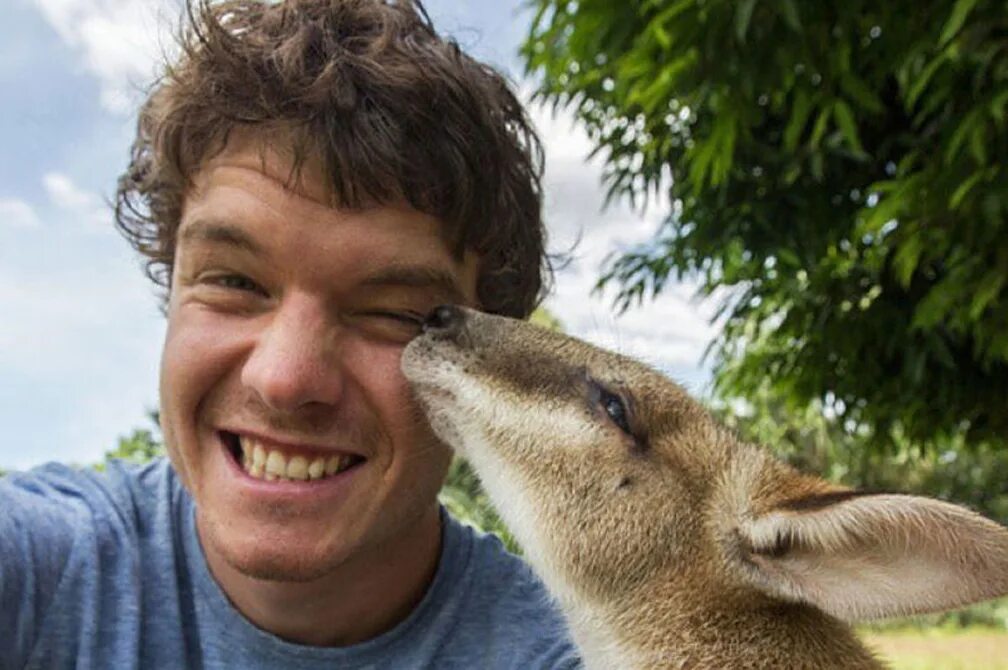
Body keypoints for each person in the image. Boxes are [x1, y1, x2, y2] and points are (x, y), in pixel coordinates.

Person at [0, 1, 580, 667]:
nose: (284, 379)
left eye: (396, 313)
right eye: (235, 283)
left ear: (491, 381)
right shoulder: (41, 572)